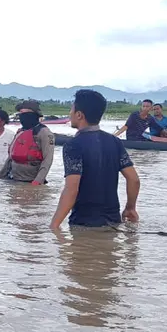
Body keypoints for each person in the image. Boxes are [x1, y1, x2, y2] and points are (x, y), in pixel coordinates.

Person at [50, 89, 140, 229]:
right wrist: (130, 208)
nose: (70, 114)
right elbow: (134, 179)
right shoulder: (114, 141)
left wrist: (54, 226)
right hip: (113, 222)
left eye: (71, 110)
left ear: (79, 115)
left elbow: (71, 189)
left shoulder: (73, 145)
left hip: (84, 224)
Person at [0, 100, 54, 185]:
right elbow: (10, 158)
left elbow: (48, 159)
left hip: (31, 180)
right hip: (14, 179)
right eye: (21, 114)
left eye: (25, 114)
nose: (22, 117)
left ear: (34, 115)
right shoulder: (20, 132)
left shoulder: (44, 133)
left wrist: (38, 181)